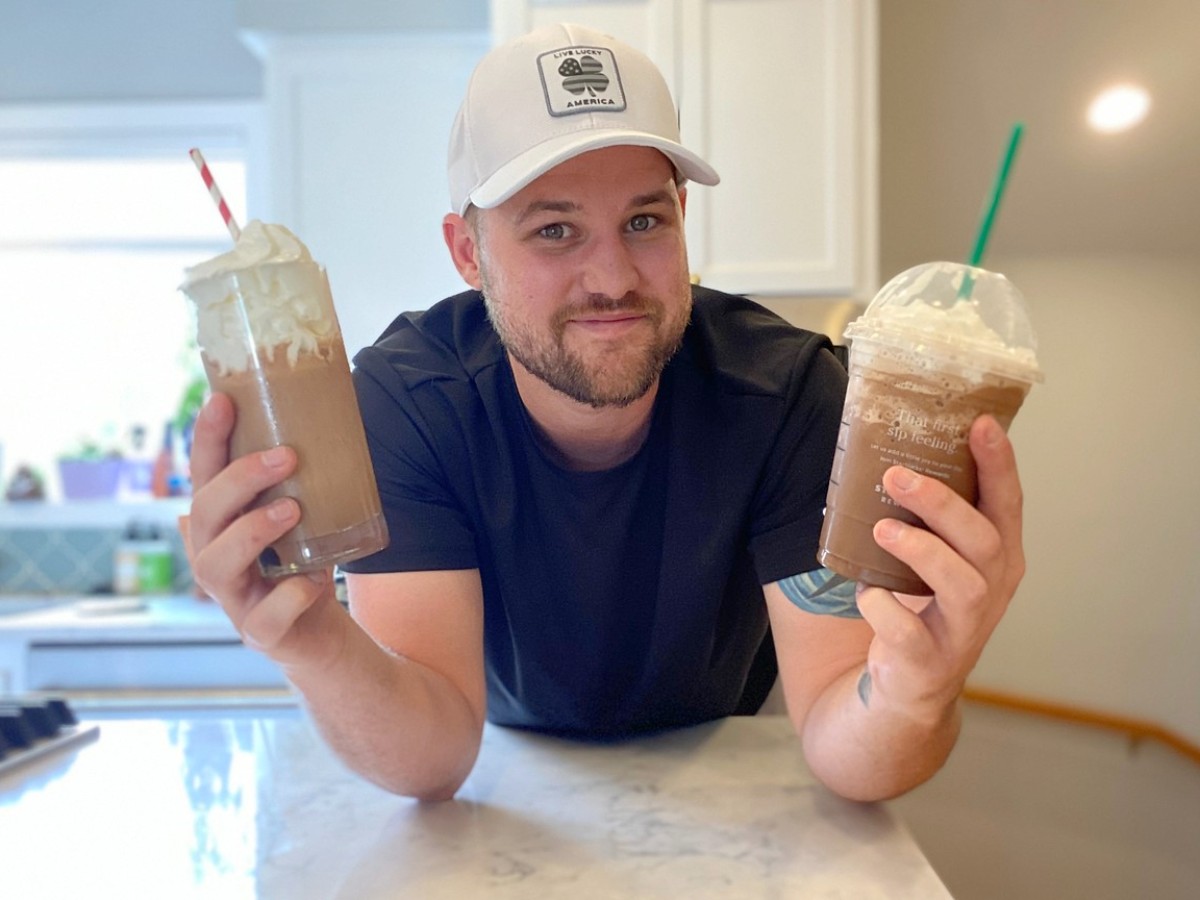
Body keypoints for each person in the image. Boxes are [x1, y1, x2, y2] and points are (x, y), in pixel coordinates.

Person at [187, 23, 1028, 803]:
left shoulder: (791, 396)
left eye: (643, 220)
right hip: (505, 773)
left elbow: (848, 745)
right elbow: (433, 754)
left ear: (683, 219)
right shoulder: (409, 403)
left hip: (731, 759)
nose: (613, 277)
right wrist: (310, 641)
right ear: (467, 253)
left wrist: (918, 687)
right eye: (554, 230)